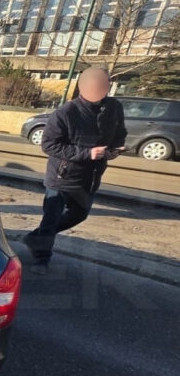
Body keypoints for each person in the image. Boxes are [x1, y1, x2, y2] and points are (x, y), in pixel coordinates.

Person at [22, 67, 126, 274]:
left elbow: (120, 132)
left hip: (91, 176)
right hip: (61, 176)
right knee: (51, 219)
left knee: (79, 215)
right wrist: (87, 153)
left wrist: (115, 149)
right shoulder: (65, 113)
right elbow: (49, 145)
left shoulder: (114, 107)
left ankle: (35, 237)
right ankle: (41, 259)